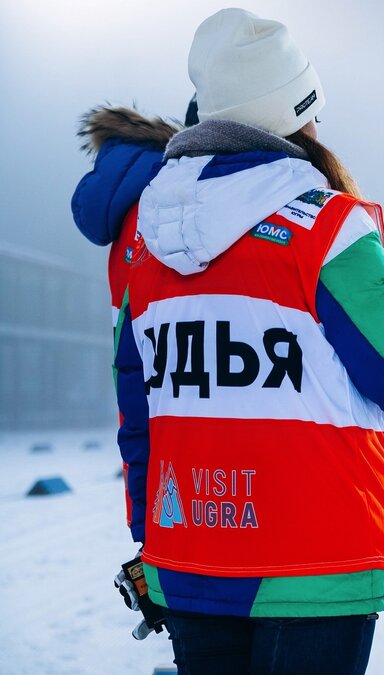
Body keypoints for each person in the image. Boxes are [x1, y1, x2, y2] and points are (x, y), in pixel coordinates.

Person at [111, 9, 384, 674]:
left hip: (190, 560)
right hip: (315, 565)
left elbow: (136, 416)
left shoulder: (144, 248)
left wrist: (153, 540)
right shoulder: (325, 229)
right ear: (301, 111)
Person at [73, 103, 183, 538]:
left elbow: (136, 377)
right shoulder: (181, 202)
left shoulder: (134, 210)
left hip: (161, 472)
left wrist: (144, 523)